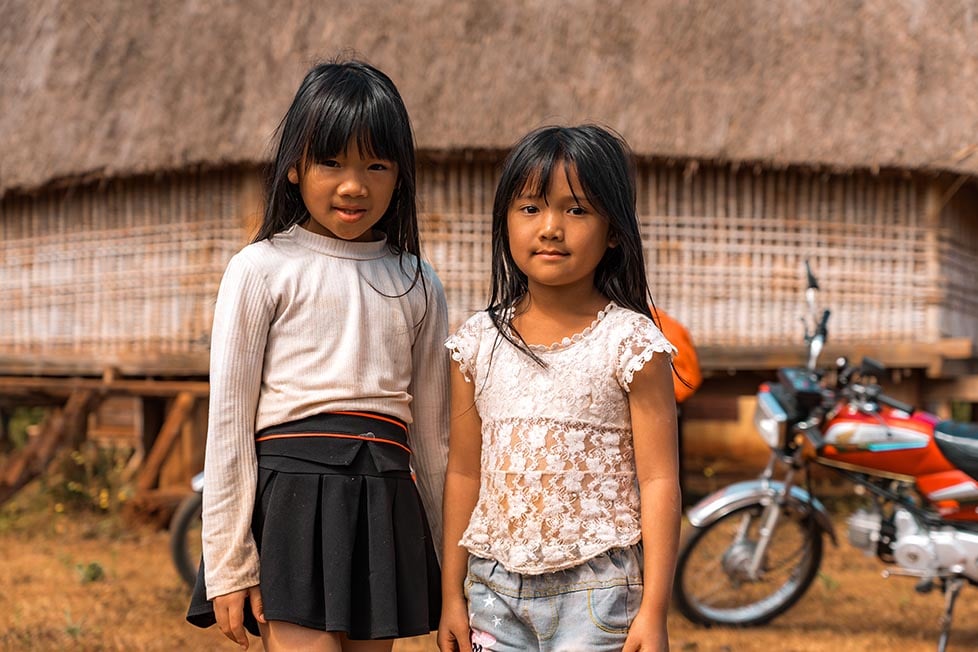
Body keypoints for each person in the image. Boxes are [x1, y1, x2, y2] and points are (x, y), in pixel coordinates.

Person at [186, 59, 448, 651]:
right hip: (293, 499)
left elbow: (433, 440)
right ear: (295, 167)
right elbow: (228, 425)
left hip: (384, 497)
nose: (354, 185)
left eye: (376, 165)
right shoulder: (260, 269)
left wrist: (449, 565)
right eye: (332, 162)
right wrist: (228, 563)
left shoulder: (417, 281)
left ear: (400, 176)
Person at [438, 125, 681, 652]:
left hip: (599, 592)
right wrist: (450, 596)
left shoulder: (632, 344)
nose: (550, 228)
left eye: (576, 210)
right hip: (492, 588)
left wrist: (655, 611)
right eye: (530, 208)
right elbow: (462, 472)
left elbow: (660, 481)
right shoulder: (475, 344)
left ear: (613, 230)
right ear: (504, 222)